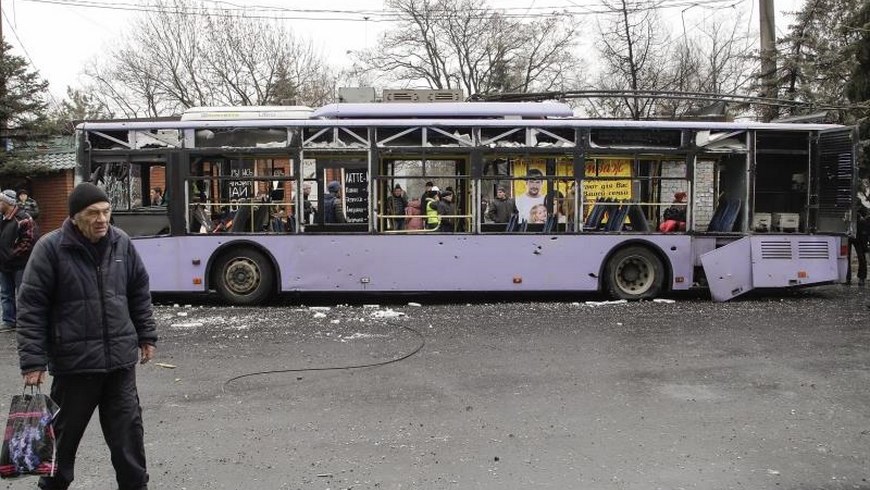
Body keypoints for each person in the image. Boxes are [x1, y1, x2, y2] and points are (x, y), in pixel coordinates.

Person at [16, 182, 157, 490]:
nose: (102, 219)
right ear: (76, 217)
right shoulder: (51, 249)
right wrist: (33, 362)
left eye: (106, 212)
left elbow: (138, 292)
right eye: (93, 213)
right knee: (62, 445)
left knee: (128, 442)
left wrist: (147, 335)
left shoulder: (122, 243)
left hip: (120, 365)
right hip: (75, 366)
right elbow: (31, 307)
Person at [0, 189, 36, 330]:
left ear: (7, 203)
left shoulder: (23, 218)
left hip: (20, 264)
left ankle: (24, 321)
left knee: (23, 292)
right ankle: (9, 321)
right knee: (5, 294)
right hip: (3, 264)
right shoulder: (1, 219)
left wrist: (11, 254)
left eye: (0, 201)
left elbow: (28, 241)